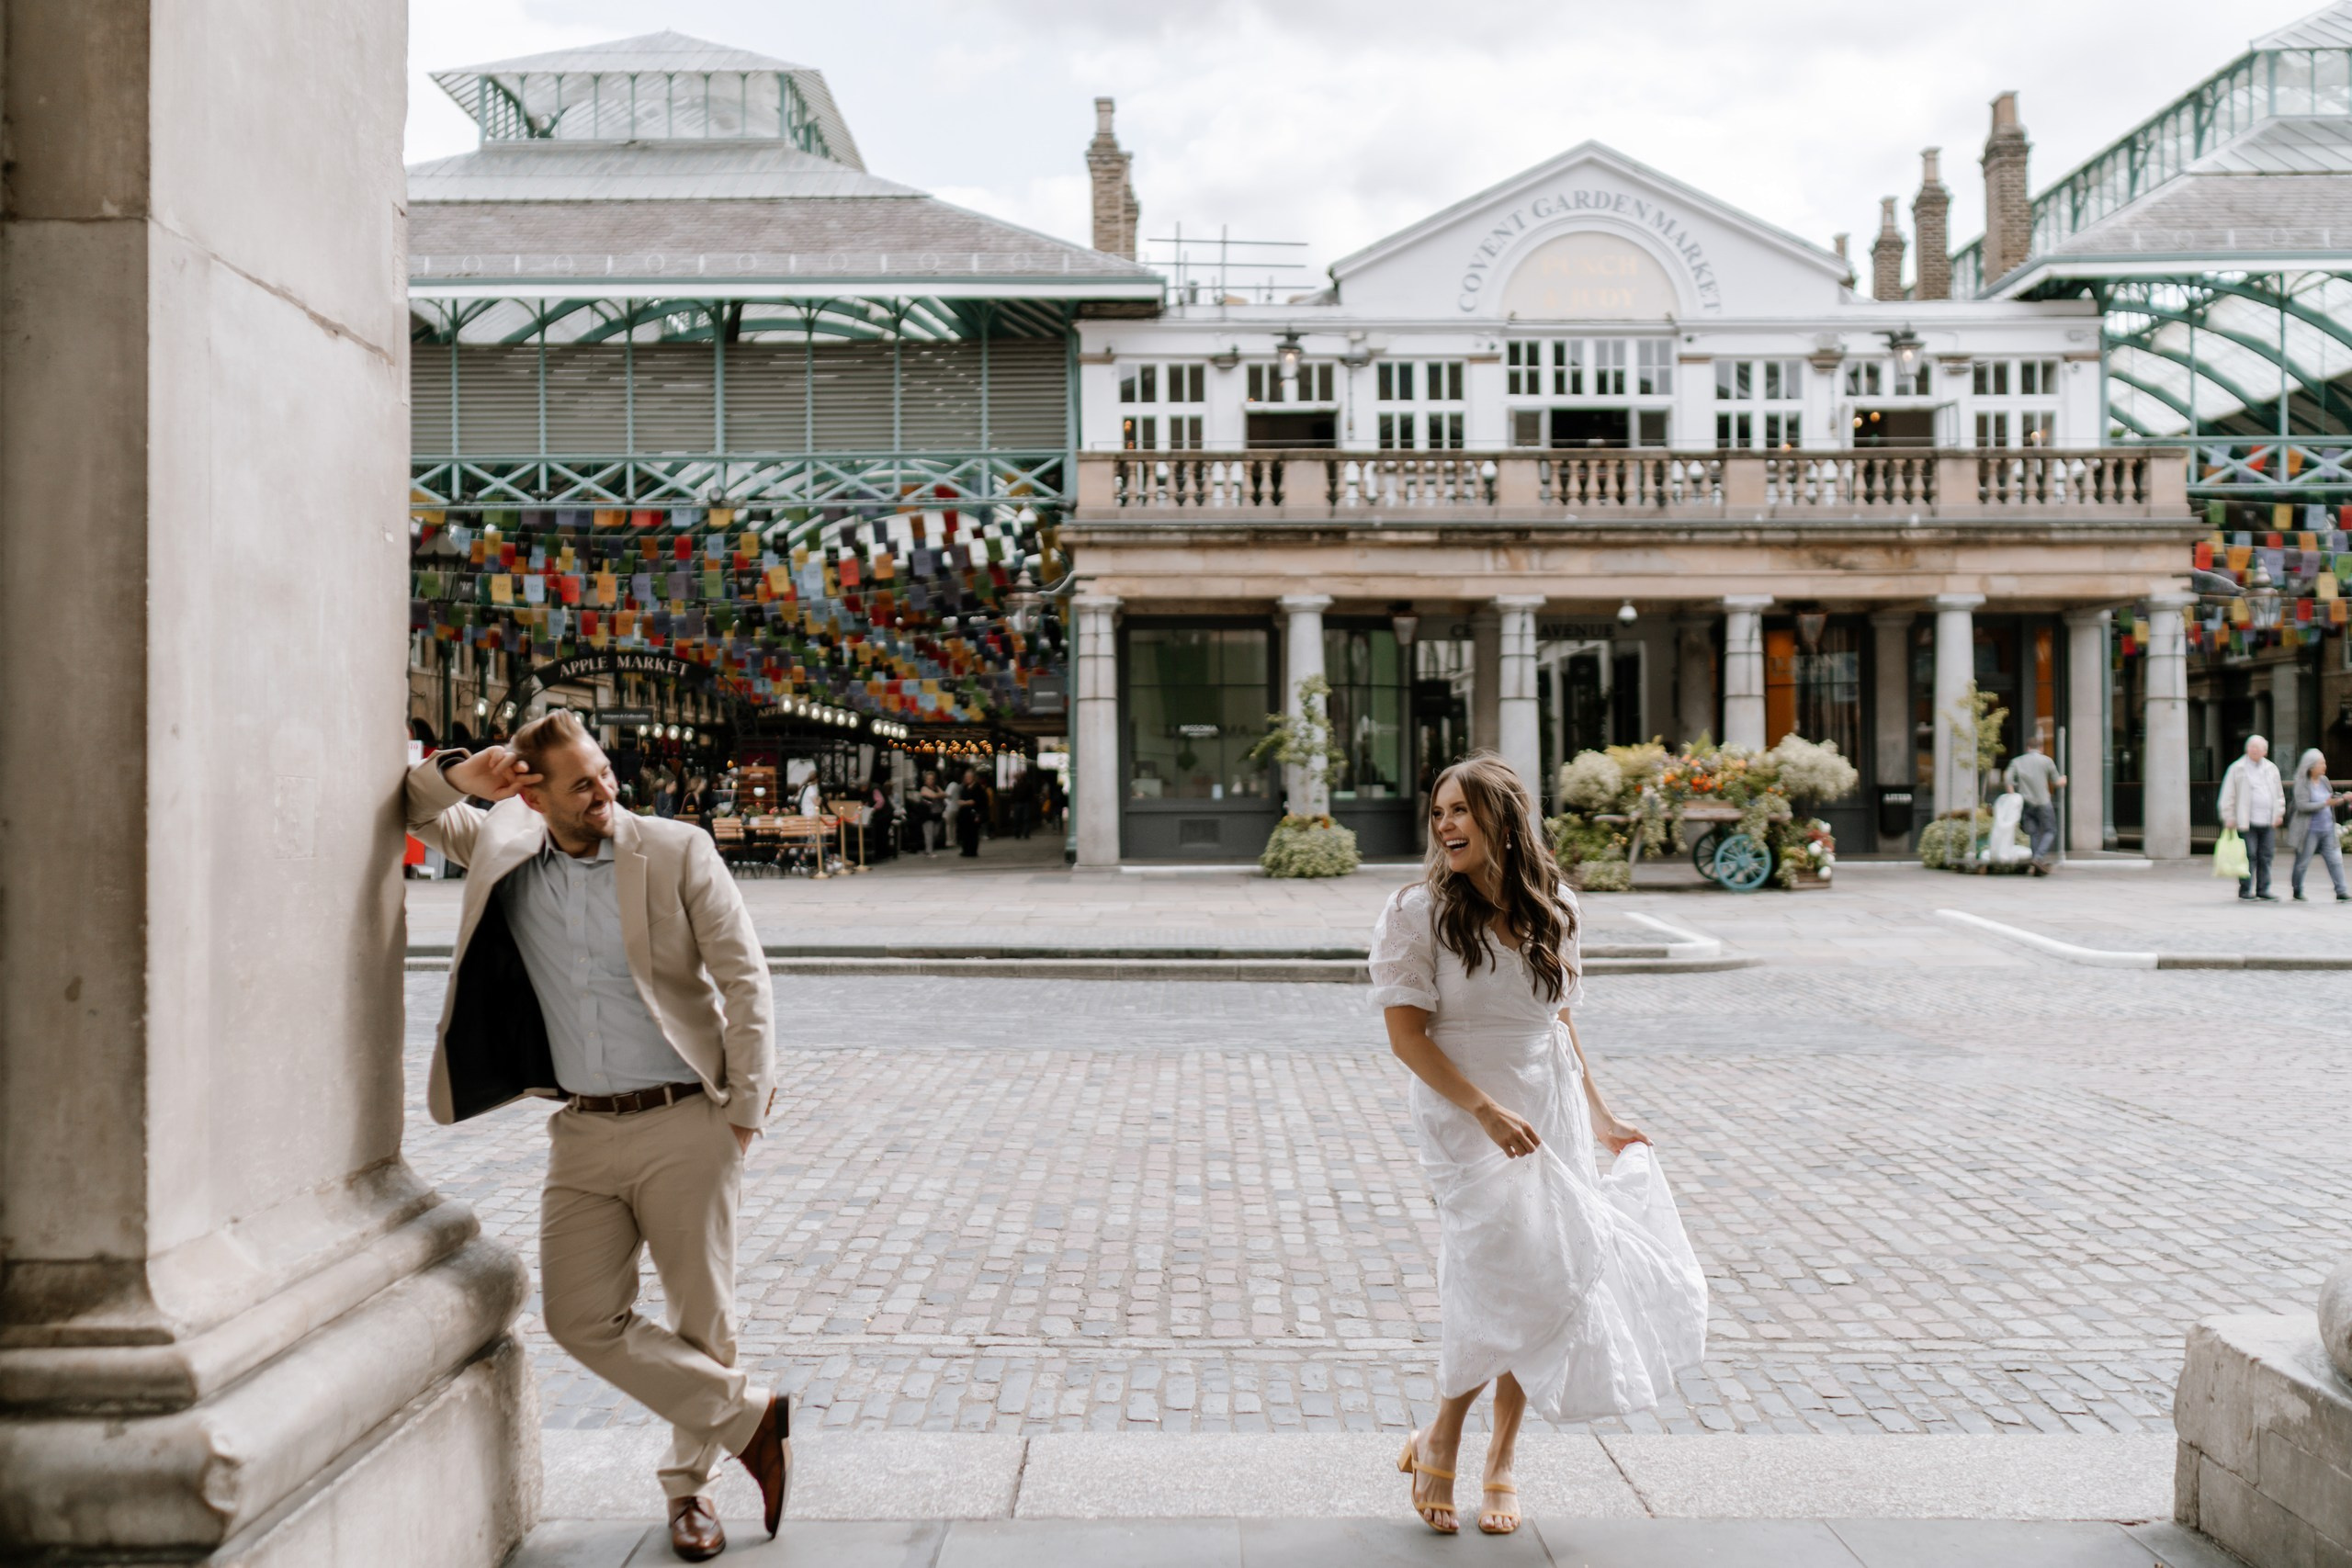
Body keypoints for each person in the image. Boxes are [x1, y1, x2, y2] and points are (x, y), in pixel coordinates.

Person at [401, 711, 790, 1562]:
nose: (606, 792)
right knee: (579, 1316)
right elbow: (413, 807)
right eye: (582, 783)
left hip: (688, 1117)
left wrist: (744, 1111)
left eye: (605, 772)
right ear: (531, 791)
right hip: (581, 1130)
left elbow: (744, 978)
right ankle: (750, 1418)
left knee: (701, 1316)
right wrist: (468, 775)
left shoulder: (676, 848)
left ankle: (690, 1491)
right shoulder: (503, 847)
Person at [1371, 753, 1704, 1537]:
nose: (1446, 823)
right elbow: (1406, 1038)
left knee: (1548, 1270)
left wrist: (1601, 1115)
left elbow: (1559, 1022)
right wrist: (1484, 1111)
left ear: (1503, 819)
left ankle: (1501, 1460)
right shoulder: (1414, 911)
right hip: (1464, 1113)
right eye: (1439, 811)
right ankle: (1444, 1431)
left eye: (1462, 810)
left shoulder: (1557, 906)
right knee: (1489, 1269)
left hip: (1545, 1106)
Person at [2218, 734, 2286, 902]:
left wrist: (2279, 813)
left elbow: (2279, 795)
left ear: (2265, 751)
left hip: (2267, 820)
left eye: (2258, 747)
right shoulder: (2237, 768)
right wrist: (2228, 816)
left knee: (2266, 855)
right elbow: (2228, 794)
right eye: (2251, 747)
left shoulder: (2271, 769)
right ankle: (2246, 889)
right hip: (2246, 820)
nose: (2254, 750)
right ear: (2247, 749)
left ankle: (2263, 889)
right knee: (2249, 855)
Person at [2285, 747, 2348, 902]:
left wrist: (2344, 798)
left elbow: (2331, 800)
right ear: (2311, 766)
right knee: (2303, 862)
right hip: (2309, 830)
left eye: (2324, 763)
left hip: (2327, 828)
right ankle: (2297, 889)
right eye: (2321, 763)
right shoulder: (2302, 783)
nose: (2324, 766)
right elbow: (2302, 806)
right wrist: (2324, 803)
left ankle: (2341, 891)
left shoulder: (2324, 781)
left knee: (2335, 860)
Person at [2004, 736, 2066, 874]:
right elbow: (2057, 782)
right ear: (2041, 748)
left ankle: (2036, 861)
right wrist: (2064, 780)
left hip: (2026, 803)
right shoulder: (2046, 761)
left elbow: (2007, 778)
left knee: (2034, 833)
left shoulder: (2017, 761)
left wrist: (2012, 795)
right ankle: (2038, 858)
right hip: (2043, 802)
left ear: (2028, 748)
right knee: (2051, 830)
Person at [953, 767, 983, 858]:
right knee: (964, 833)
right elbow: (961, 799)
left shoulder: (977, 787)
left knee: (973, 833)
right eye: (966, 777)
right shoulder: (965, 787)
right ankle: (965, 849)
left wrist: (965, 802)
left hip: (973, 813)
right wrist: (963, 802)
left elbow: (976, 801)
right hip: (964, 814)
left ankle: (972, 850)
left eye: (969, 777)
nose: (967, 779)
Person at [918, 770, 947, 856]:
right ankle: (929, 851)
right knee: (929, 833)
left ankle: (928, 849)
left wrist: (937, 794)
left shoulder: (936, 787)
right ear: (925, 780)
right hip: (927, 814)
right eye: (928, 779)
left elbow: (945, 794)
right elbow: (933, 796)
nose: (930, 781)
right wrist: (938, 795)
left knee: (935, 833)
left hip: (937, 814)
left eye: (932, 779)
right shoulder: (923, 788)